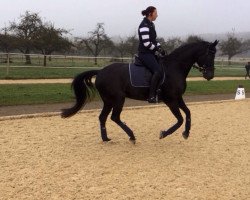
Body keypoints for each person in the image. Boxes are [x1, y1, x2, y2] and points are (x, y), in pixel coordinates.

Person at [138, 6, 165, 103]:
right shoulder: (144, 25)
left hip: (151, 52)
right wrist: (157, 49)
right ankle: (151, 96)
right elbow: (146, 43)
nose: (157, 15)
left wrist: (160, 47)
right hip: (145, 54)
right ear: (150, 14)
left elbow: (153, 40)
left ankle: (160, 91)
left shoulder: (151, 25)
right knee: (157, 71)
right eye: (156, 13)